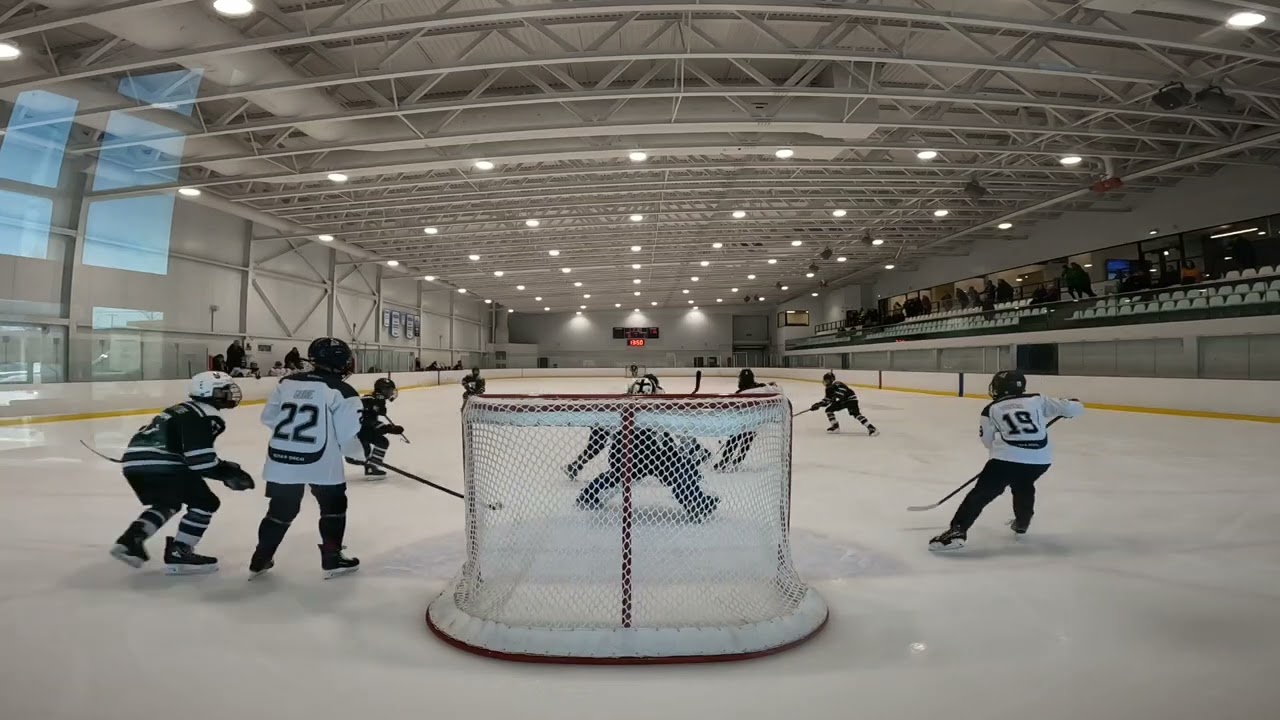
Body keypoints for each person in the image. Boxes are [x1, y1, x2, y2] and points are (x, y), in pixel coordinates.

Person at [109, 372, 255, 574]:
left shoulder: (179, 409)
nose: (229, 394)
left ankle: (130, 541)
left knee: (167, 503)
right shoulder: (206, 414)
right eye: (223, 390)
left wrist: (223, 468)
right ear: (209, 392)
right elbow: (200, 459)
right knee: (206, 503)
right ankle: (180, 552)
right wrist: (227, 473)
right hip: (163, 464)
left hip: (134, 463)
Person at [928, 371, 1085, 551]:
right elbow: (1076, 408)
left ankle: (957, 530)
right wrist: (1072, 405)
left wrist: (1001, 455)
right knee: (1024, 483)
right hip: (1040, 461)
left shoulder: (991, 409)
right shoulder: (1037, 399)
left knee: (981, 494)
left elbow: (987, 441)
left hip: (1006, 460)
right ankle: (1022, 521)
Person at [251, 337, 363, 579]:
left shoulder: (287, 382)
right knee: (333, 507)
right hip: (321, 462)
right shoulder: (343, 391)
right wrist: (359, 456)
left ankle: (261, 558)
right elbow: (347, 434)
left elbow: (269, 417)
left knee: (281, 509)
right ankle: (332, 558)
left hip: (281, 459)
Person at [575, 373, 718, 521]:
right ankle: (695, 500)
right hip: (652, 453)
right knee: (680, 467)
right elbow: (677, 429)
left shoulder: (623, 403)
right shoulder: (661, 405)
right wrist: (690, 448)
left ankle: (588, 495)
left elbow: (603, 426)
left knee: (617, 477)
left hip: (627, 453)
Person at [714, 368, 777, 472]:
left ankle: (724, 461)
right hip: (754, 423)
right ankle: (738, 460)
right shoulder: (761, 388)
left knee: (733, 440)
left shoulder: (739, 394)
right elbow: (773, 388)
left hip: (742, 423)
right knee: (746, 442)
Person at [357, 378, 403, 479]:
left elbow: (370, 422)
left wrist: (388, 428)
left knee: (380, 442)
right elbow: (367, 423)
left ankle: (371, 467)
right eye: (390, 390)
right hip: (357, 431)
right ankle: (371, 467)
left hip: (359, 430)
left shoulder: (375, 400)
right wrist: (389, 429)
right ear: (383, 390)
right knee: (379, 443)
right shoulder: (371, 401)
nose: (391, 393)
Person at [810, 371, 878, 435]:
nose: (826, 383)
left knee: (856, 414)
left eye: (827, 381)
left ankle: (871, 428)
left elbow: (842, 393)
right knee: (829, 410)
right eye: (825, 381)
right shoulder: (828, 389)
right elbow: (827, 399)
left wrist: (833, 397)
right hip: (842, 401)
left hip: (851, 400)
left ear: (831, 380)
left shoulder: (838, 384)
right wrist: (818, 404)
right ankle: (835, 427)